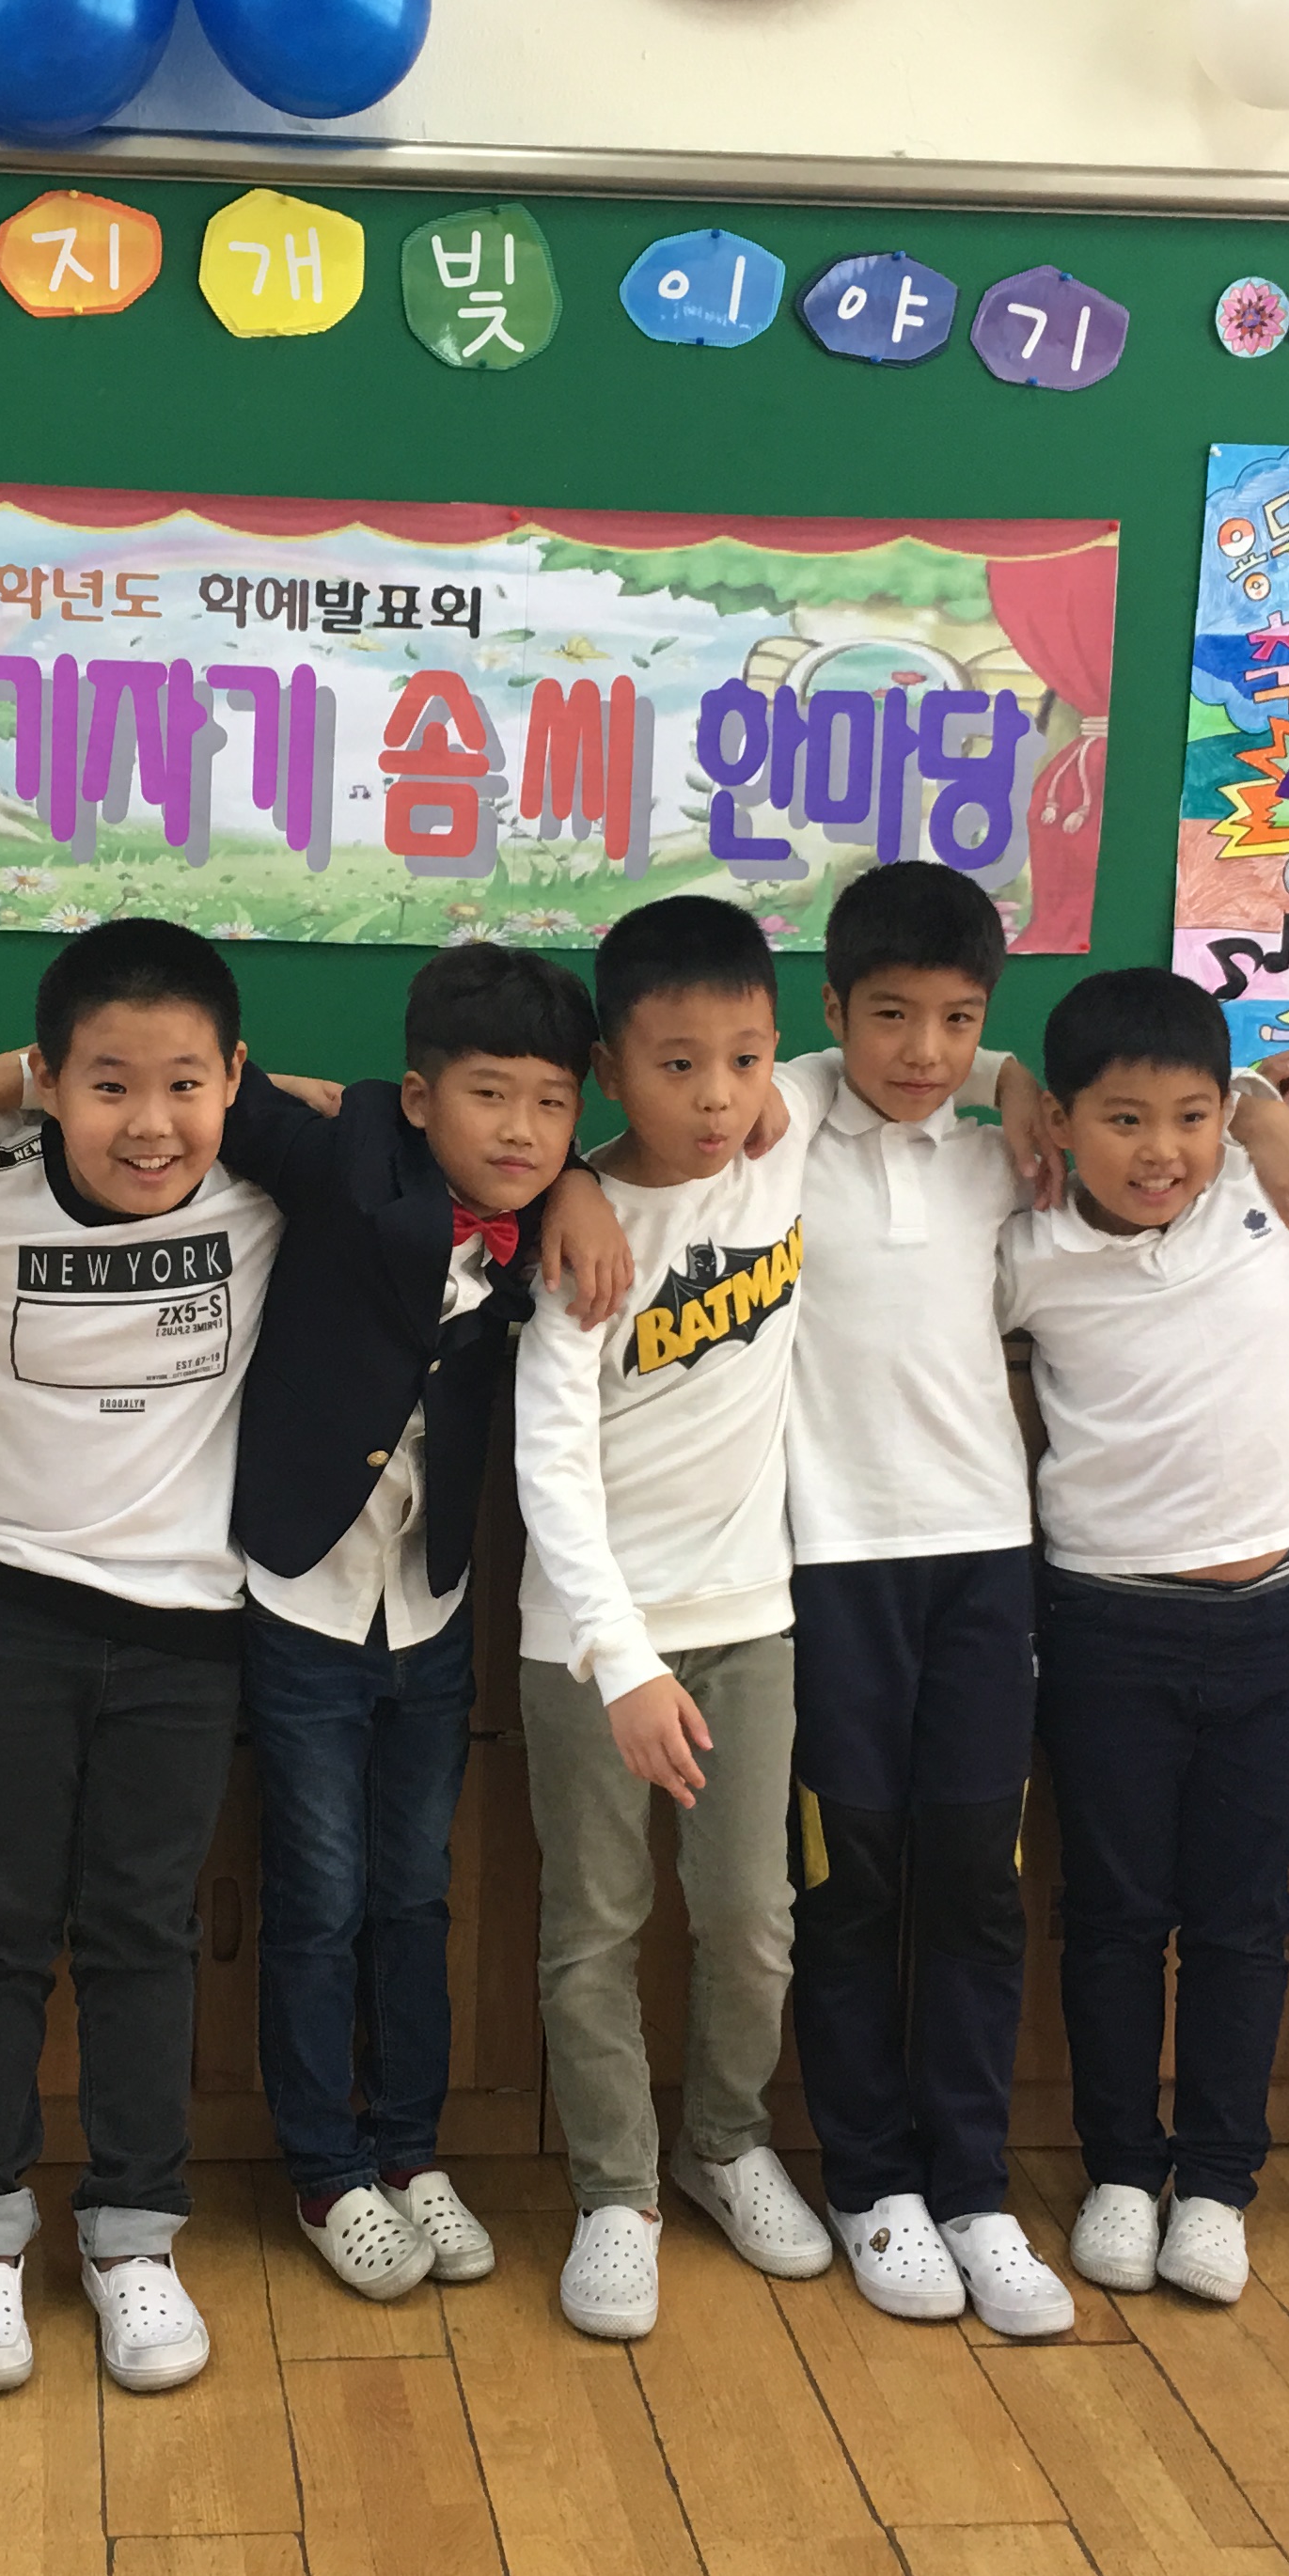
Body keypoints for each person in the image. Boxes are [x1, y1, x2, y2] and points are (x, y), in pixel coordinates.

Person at [0, 919, 284, 2397]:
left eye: (186, 1084)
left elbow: (393, 1118)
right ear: (46, 1080)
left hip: (187, 1629)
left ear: (235, 1077)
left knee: (144, 1932)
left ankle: (133, 2234)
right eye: (107, 1084)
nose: (150, 1123)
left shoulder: (266, 1192)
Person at [213, 946, 621, 2303]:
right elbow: (200, 1081)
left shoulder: (551, 1205)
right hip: (304, 1600)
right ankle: (326, 2168)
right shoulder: (347, 1159)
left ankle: (410, 2147)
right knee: (318, 1900)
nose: (520, 1131)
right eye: (489, 1096)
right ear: (417, 1096)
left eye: (551, 1105)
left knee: (416, 1893)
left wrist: (580, 1178)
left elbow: (639, 1147)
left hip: (431, 1606)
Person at [997, 968, 1289, 2309]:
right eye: (1124, 1120)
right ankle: (1117, 2169)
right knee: (1111, 1911)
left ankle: (1214, 2183)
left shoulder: (1267, 1177)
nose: (1163, 1152)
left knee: (1242, 1917)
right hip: (1109, 1618)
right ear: (1062, 1125)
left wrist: (1263, 1102)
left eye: (1191, 1118)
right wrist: (1000, 1087)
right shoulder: (1026, 1246)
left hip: (1274, 1617)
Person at [513, 892, 827, 2340]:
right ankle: (617, 2195)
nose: (717, 1099)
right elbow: (552, 1465)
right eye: (677, 1065)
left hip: (750, 1618)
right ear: (608, 1069)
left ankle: (723, 2145)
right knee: (595, 1928)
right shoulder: (575, 1228)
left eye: (745, 1061)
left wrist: (1262, 1101)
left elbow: (973, 1063)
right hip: (590, 1639)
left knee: (753, 1919)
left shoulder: (794, 1130)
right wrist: (625, 1661)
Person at [777, 863, 1075, 2336]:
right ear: (835, 1011)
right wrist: (1006, 1067)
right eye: (891, 1016)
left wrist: (1012, 1076)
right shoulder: (774, 1130)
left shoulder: (994, 1156)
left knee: (974, 1883)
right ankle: (870, 2183)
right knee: (851, 1886)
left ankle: (971, 2187)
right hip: (825, 1567)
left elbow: (1167, 1106)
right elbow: (684, 1105)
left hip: (982, 1563)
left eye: (960, 1021)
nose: (925, 1051)